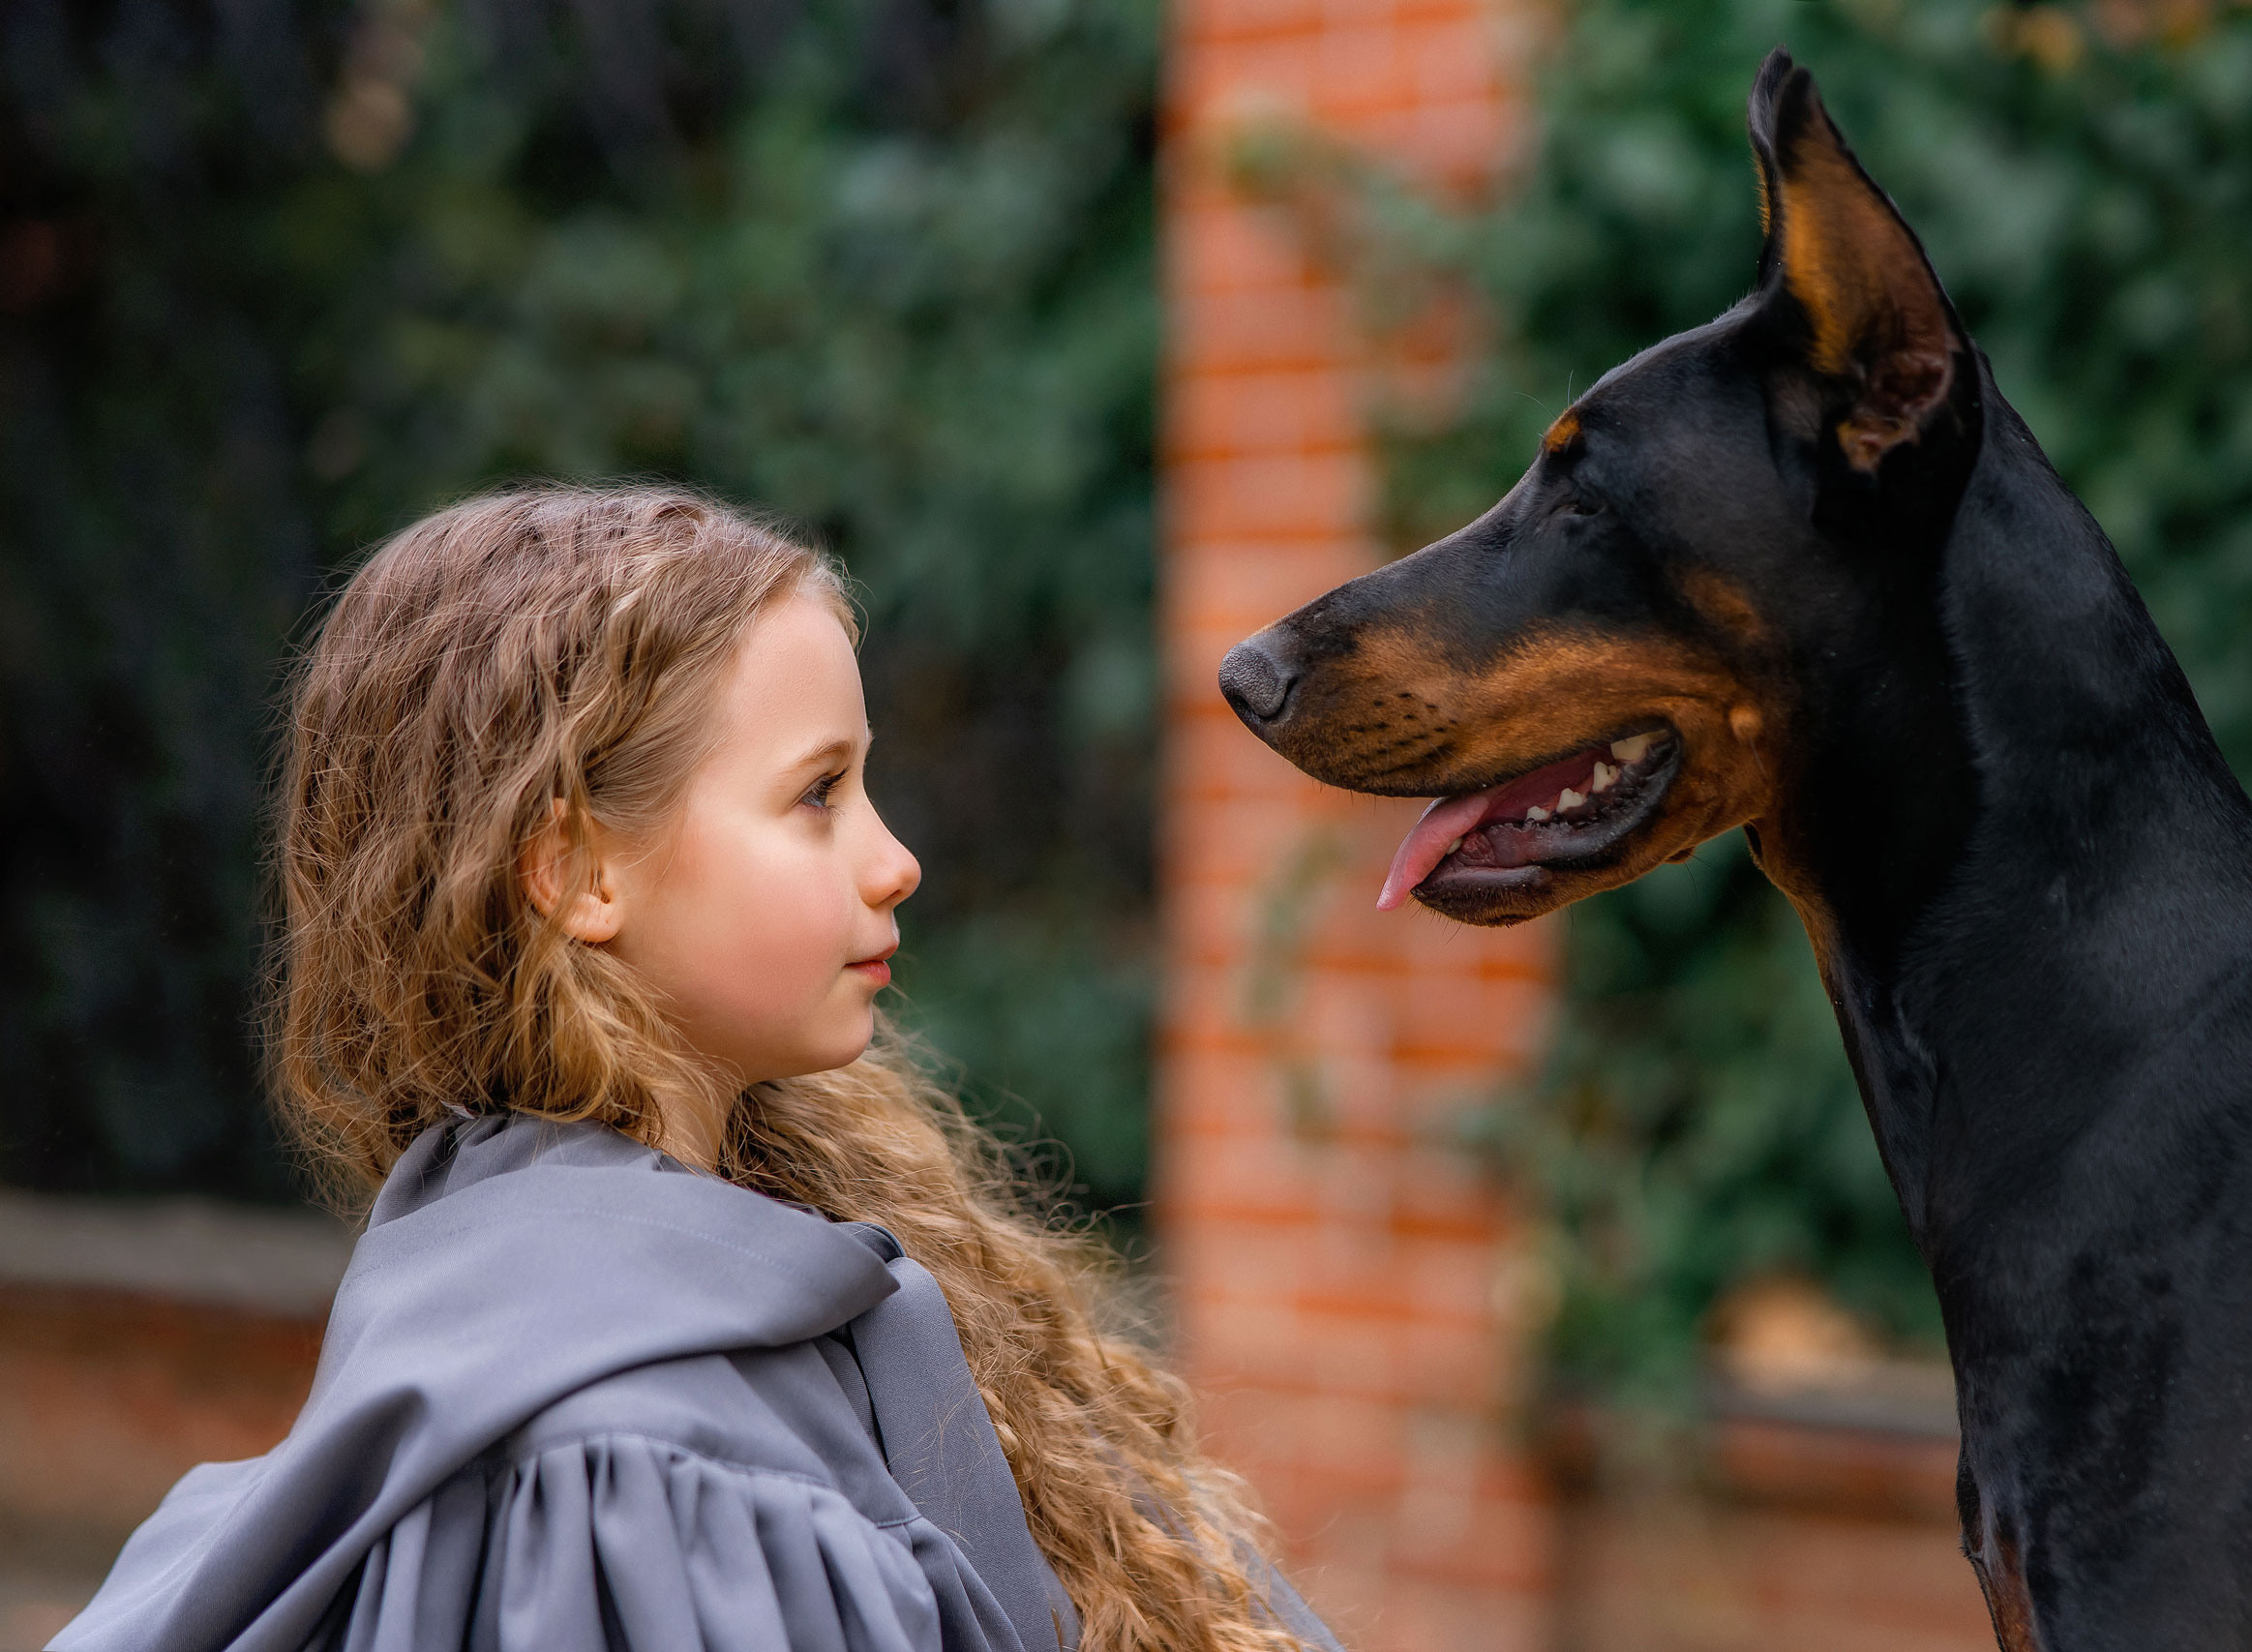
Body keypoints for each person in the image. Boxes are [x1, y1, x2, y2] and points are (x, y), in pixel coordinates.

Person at [54, 486, 1341, 1652]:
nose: (895, 861)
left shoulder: (780, 1230)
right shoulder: (632, 1463)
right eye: (818, 795)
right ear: (576, 872)